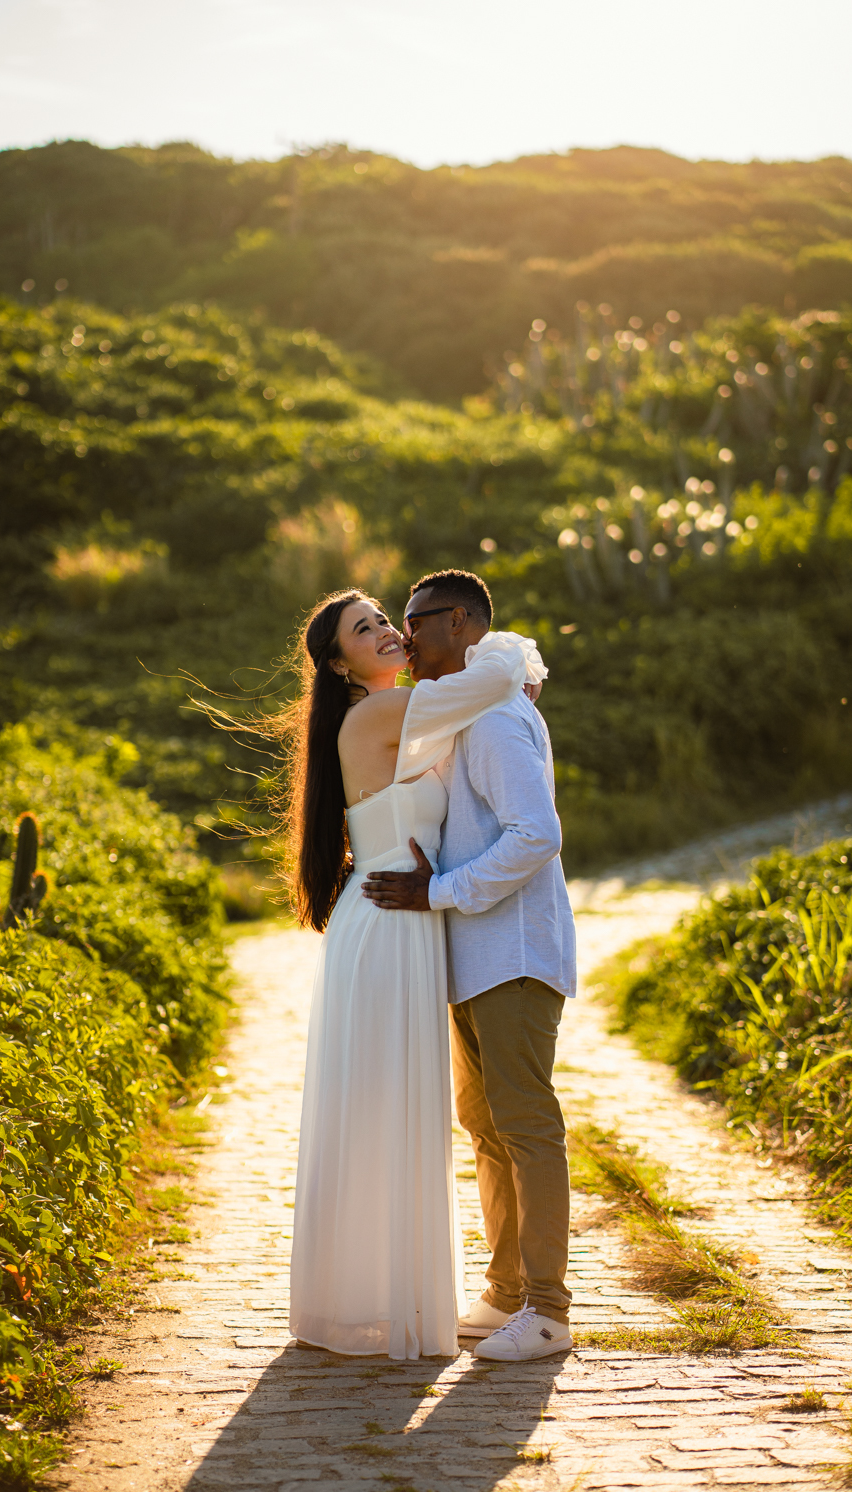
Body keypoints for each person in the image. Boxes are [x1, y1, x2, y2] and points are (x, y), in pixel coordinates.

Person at [278, 587, 546, 1359]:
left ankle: (388, 1298)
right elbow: (494, 680)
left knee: (399, 1110)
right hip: (392, 921)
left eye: (384, 620)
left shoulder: (408, 711)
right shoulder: (382, 714)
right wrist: (514, 666)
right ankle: (383, 1304)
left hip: (405, 915)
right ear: (340, 663)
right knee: (387, 1110)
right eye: (365, 631)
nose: (389, 633)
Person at [362, 569, 577, 1363]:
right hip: (474, 954)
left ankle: (549, 1312)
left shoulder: (492, 720)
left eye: (414, 623)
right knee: (487, 1127)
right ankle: (506, 1292)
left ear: (458, 624)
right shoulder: (467, 713)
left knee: (525, 1126)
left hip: (513, 952)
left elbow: (535, 834)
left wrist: (439, 890)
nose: (404, 639)